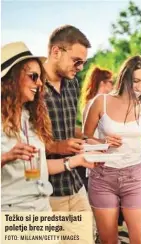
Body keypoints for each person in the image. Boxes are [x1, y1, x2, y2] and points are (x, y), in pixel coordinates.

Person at [83, 55, 141, 244]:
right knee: (109, 241)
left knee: (140, 240)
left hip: (135, 177)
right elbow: (84, 138)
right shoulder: (101, 101)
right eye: (136, 81)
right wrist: (103, 141)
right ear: (125, 77)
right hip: (102, 177)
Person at [1, 42, 95, 212]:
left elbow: (41, 167)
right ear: (11, 78)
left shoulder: (29, 117)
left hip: (42, 209)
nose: (39, 84)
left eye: (40, 78)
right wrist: (6, 157)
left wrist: (77, 160)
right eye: (33, 76)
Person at [43, 25, 92, 212]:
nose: (80, 68)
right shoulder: (32, 87)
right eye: (76, 61)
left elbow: (68, 127)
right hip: (46, 193)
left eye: (83, 63)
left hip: (75, 185)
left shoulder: (73, 84)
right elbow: (23, 142)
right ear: (56, 52)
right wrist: (56, 147)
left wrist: (91, 140)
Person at [80, 66, 115, 189]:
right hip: (99, 158)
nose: (113, 86)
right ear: (102, 83)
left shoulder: (91, 102)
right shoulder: (95, 104)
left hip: (99, 157)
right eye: (111, 82)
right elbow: (87, 136)